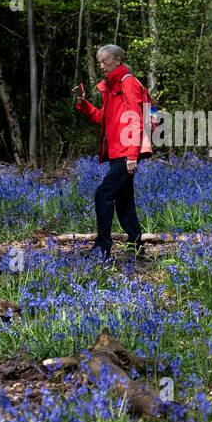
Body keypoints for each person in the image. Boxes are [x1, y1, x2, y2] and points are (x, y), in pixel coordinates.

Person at [73, 44, 152, 260]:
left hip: (126, 153)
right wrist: (84, 104)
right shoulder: (111, 86)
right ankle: (136, 246)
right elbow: (102, 118)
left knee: (103, 194)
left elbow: (135, 119)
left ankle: (102, 248)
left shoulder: (128, 83)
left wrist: (133, 155)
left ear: (117, 60)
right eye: (99, 61)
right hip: (117, 152)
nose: (101, 66)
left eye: (104, 61)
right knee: (124, 200)